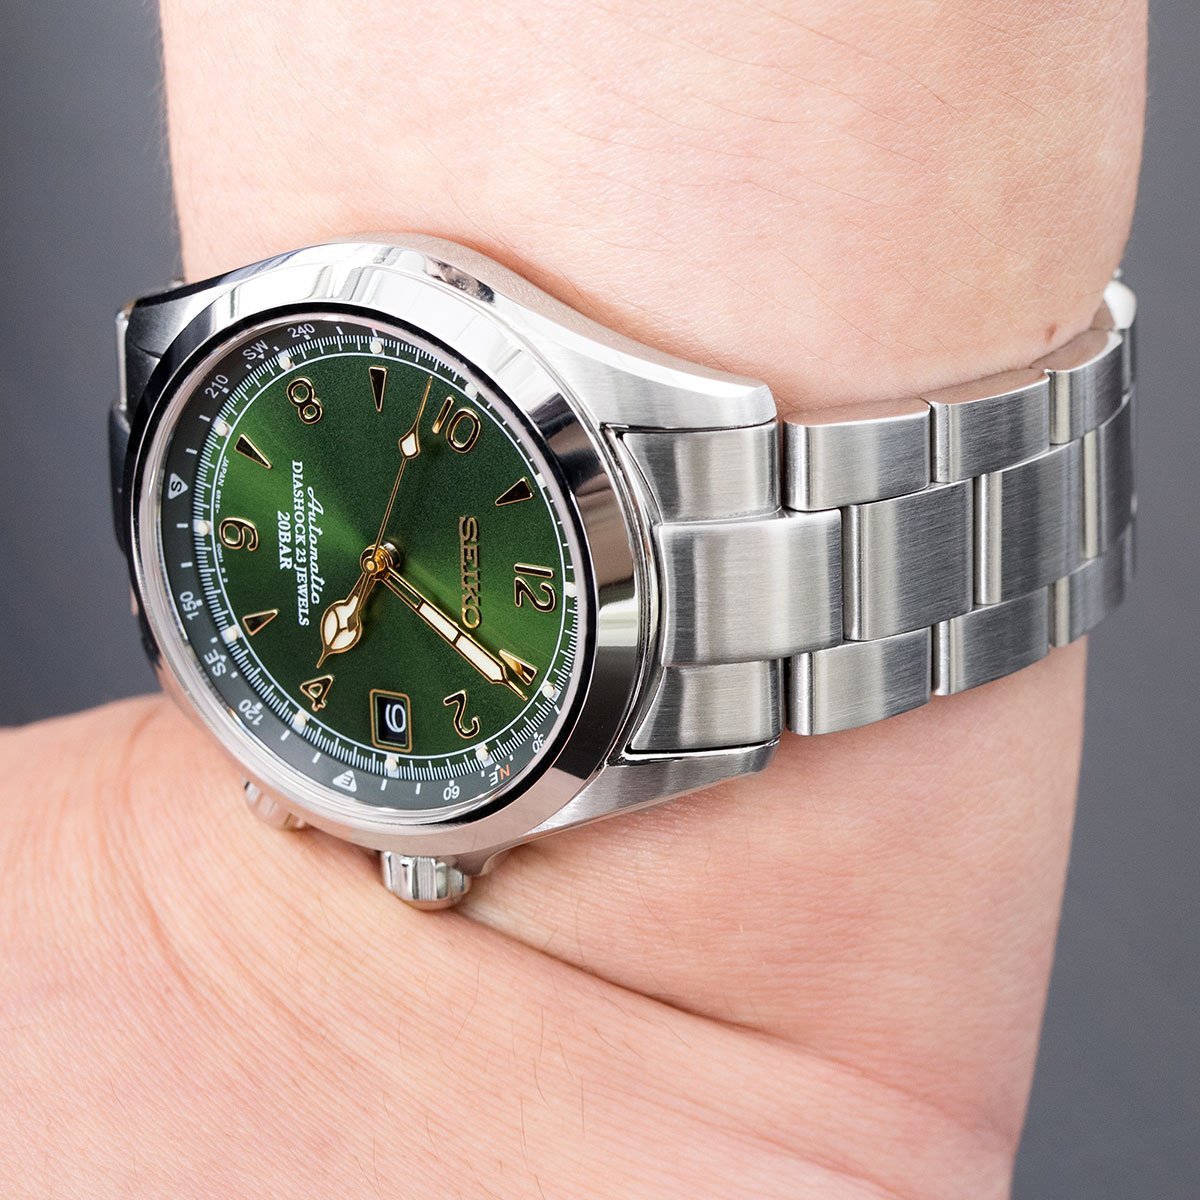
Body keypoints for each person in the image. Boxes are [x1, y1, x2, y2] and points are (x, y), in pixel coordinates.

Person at [1, 2, 1145, 1194]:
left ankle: (642, 990)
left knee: (664, 935)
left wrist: (609, 980)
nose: (366, 568)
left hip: (633, 1043)